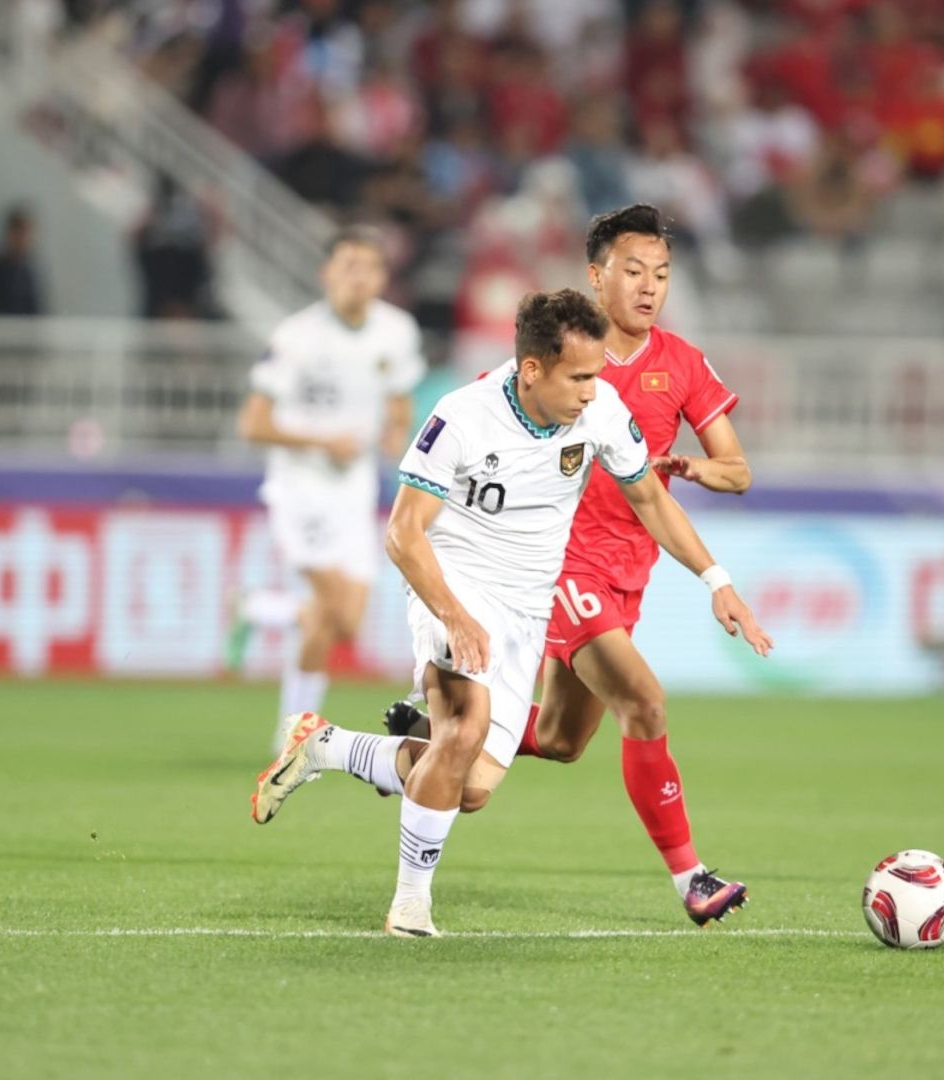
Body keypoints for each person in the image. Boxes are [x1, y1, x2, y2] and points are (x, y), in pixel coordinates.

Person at [250, 288, 771, 938]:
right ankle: (411, 905)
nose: (592, 390)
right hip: (451, 581)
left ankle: (329, 747)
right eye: (578, 376)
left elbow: (651, 501)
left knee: (466, 788)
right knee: (464, 730)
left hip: (527, 607)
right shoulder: (462, 417)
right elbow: (403, 533)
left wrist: (716, 579)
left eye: (596, 375)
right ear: (532, 370)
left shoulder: (601, 412)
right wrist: (454, 614)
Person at [384, 204, 765, 926]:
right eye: (632, 271)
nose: (649, 287)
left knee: (559, 742)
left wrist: (717, 569)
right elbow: (475, 452)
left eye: (661, 274)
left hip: (626, 574)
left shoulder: (674, 367)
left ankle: (400, 742)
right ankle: (692, 878)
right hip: (557, 571)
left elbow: (723, 474)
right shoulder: (541, 365)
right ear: (597, 277)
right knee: (645, 703)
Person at [234, 227, 423, 750]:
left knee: (344, 622)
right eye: (348, 265)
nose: (358, 277)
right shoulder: (296, 337)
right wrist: (322, 441)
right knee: (334, 608)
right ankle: (294, 733)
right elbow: (252, 424)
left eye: (369, 266)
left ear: (383, 277)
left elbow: (400, 398)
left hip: (353, 490)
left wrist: (392, 433)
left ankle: (259, 613)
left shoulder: (397, 331)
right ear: (327, 274)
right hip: (301, 488)